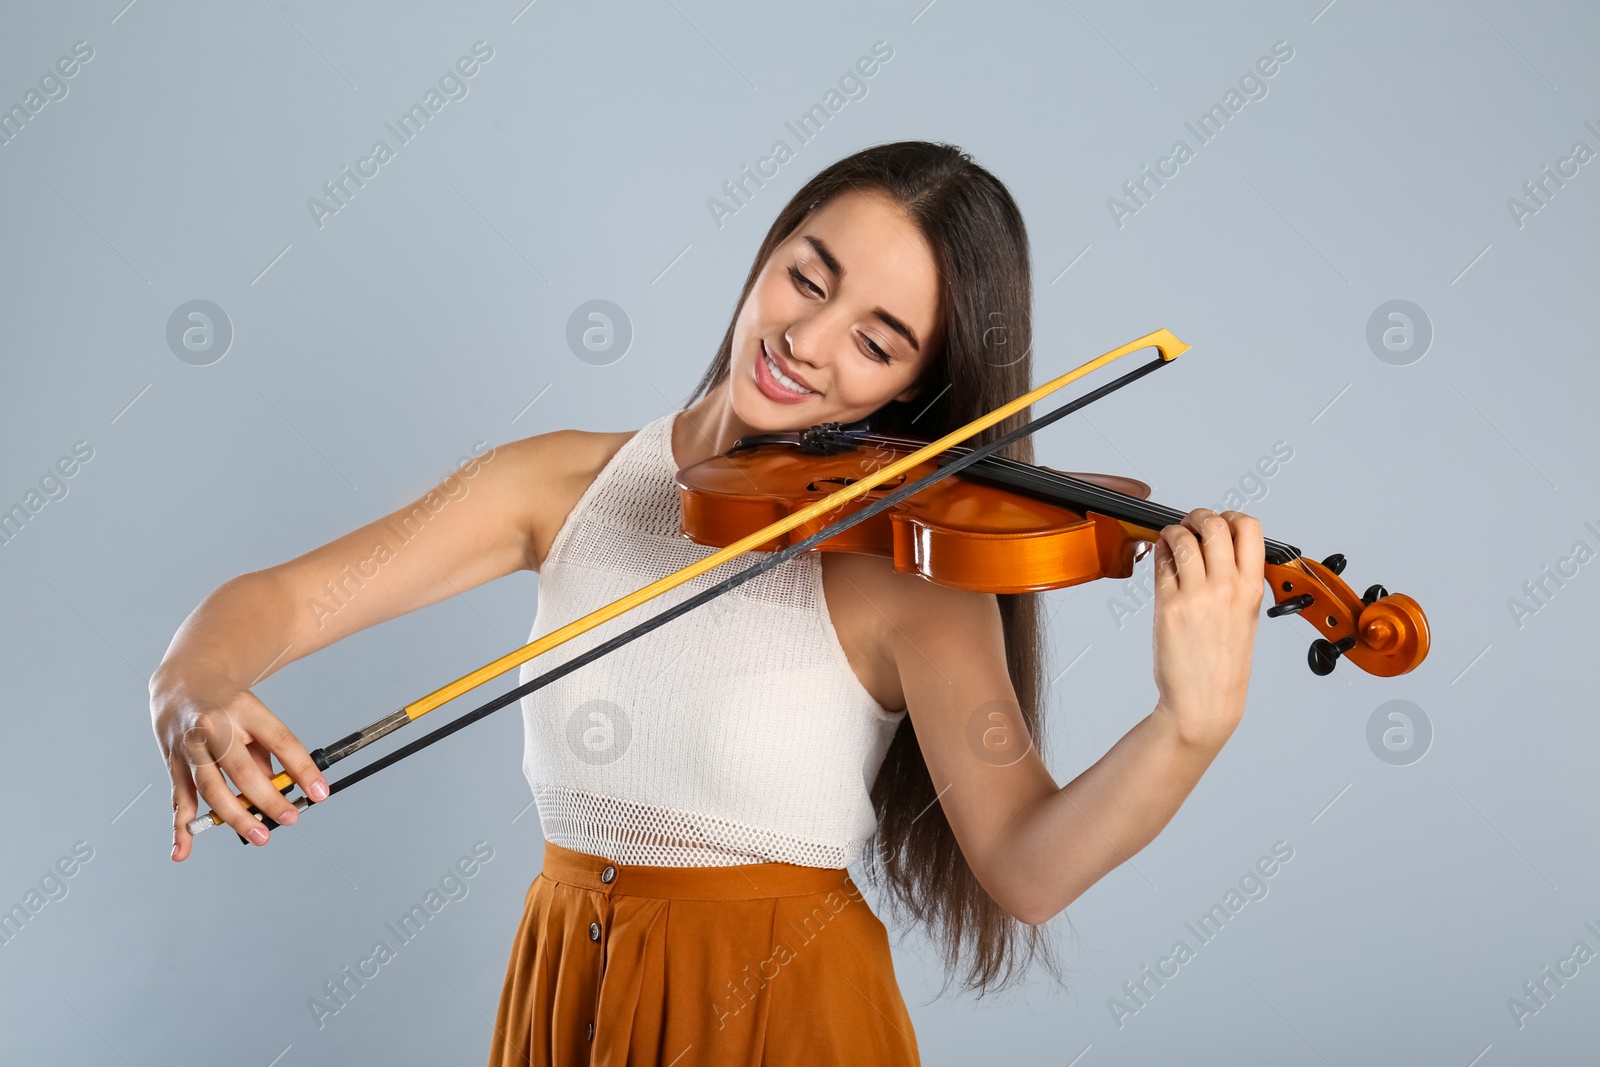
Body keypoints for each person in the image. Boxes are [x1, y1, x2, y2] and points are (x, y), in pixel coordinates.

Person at [149, 141, 1265, 1066]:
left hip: (781, 1014)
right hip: (565, 984)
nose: (807, 343)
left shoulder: (904, 570)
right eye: (807, 277)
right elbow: (280, 601)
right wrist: (192, 688)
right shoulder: (560, 484)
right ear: (766, 248)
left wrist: (1187, 726)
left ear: (916, 392)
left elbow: (1026, 865)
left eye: (876, 341)